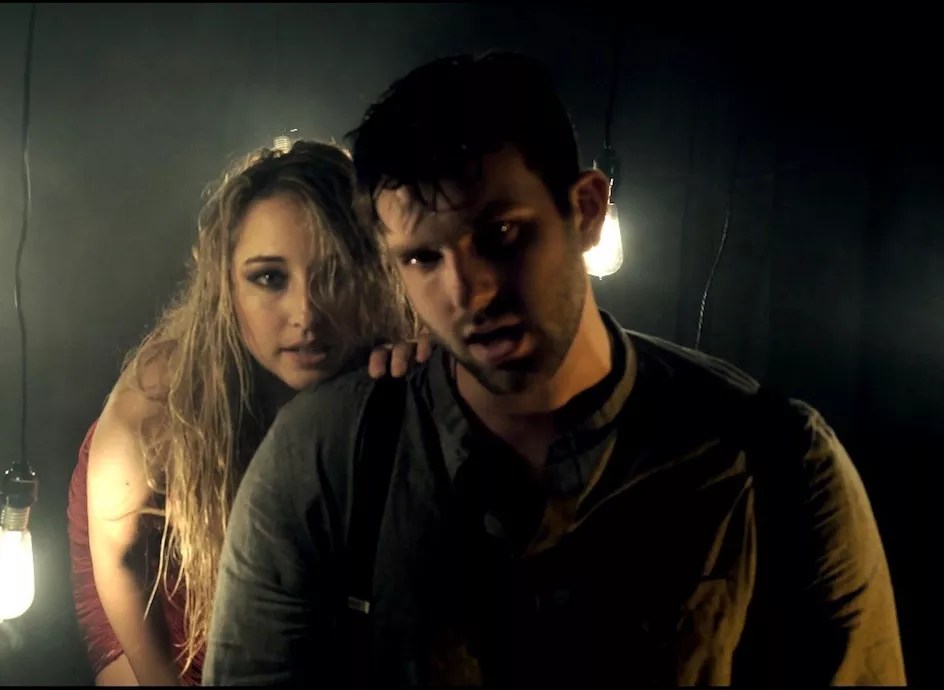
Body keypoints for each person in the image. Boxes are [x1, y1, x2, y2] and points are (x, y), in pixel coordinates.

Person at [204, 52, 906, 686]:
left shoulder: (776, 459)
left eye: (501, 235)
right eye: (423, 258)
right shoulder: (326, 455)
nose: (469, 293)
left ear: (587, 210)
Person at [66, 139, 430, 686]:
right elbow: (119, 561)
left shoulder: (394, 345)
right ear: (225, 284)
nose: (306, 314)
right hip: (154, 578)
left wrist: (428, 366)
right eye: (269, 278)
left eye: (333, 274)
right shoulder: (160, 396)